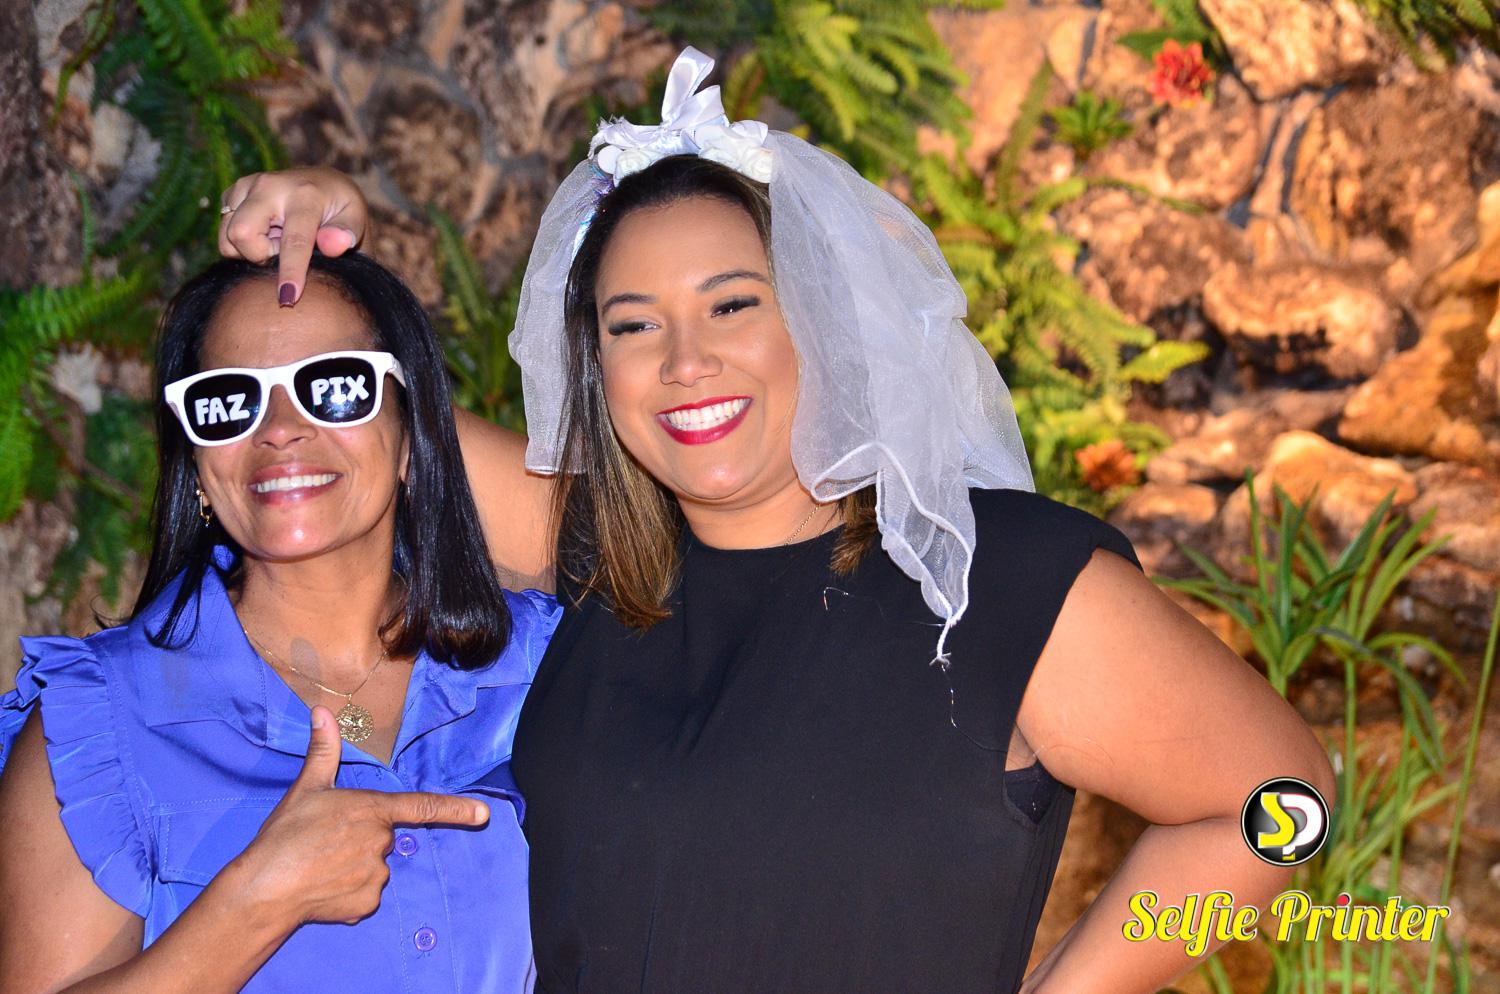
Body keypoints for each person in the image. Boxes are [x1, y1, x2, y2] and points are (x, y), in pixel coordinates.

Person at [216, 48, 1335, 994]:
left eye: (733, 305)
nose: (685, 360)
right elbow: (359, 411)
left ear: (825, 318)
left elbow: (1286, 803)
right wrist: (316, 221)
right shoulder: (602, 559)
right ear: (597, 368)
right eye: (633, 325)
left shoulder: (992, 579)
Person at [0, 251, 559, 992]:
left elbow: (651, 543)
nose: (280, 429)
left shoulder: (541, 664)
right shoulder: (98, 726)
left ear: (411, 432)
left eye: (336, 387)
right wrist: (258, 901)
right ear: (197, 465)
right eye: (228, 401)